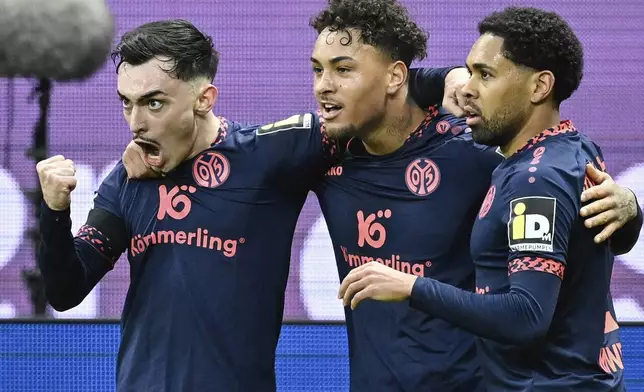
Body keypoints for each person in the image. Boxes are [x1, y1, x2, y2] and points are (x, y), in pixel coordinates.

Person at [120, 3, 641, 391]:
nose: (323, 85)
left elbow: (558, 188)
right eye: (318, 69)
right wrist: (147, 147)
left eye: (343, 69)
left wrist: (630, 209)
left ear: (396, 77)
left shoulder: (478, 150)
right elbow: (217, 144)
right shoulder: (319, 152)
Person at [35, 19, 458, 392]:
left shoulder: (272, 152)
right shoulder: (128, 179)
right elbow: (66, 291)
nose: (136, 122)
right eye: (126, 102)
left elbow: (372, 94)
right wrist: (54, 212)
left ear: (204, 98)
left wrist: (447, 78)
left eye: (154, 102)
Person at [339, 6, 642, 391]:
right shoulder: (573, 147)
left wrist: (411, 286)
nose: (467, 88)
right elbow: (611, 236)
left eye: (485, 75)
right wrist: (632, 211)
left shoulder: (537, 180)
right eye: (468, 73)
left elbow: (527, 316)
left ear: (538, 87)